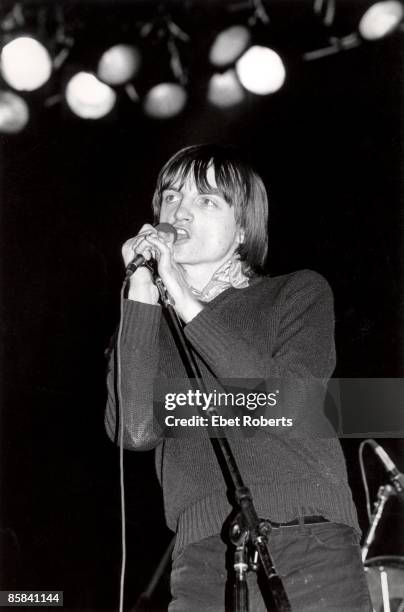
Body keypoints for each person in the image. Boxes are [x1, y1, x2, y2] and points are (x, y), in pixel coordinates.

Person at [105, 144, 372, 611]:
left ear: (243, 228)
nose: (180, 210)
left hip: (307, 539)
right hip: (203, 556)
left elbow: (287, 402)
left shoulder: (296, 292)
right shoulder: (148, 325)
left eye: (206, 200)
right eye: (171, 196)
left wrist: (187, 301)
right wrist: (143, 292)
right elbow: (134, 430)